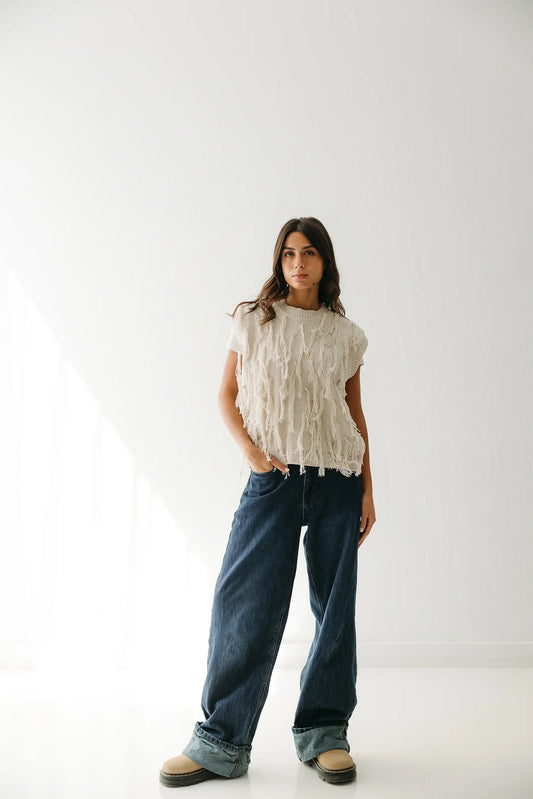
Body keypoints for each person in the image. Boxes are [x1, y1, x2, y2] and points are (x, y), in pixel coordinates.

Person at [159, 216, 376, 787]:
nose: (298, 263)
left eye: (309, 253)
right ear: (279, 263)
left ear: (325, 262)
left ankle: (325, 733)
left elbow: (355, 415)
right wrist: (253, 453)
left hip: (337, 477)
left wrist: (368, 490)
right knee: (243, 601)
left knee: (334, 610)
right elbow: (226, 394)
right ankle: (220, 742)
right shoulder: (254, 320)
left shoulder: (346, 336)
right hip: (273, 477)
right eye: (288, 254)